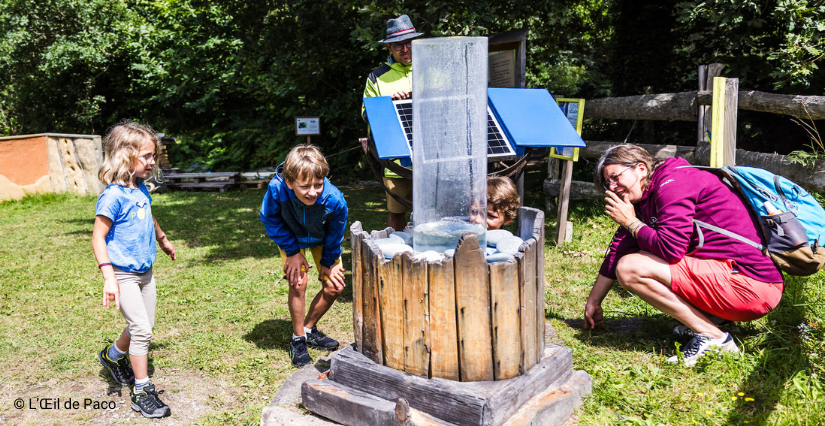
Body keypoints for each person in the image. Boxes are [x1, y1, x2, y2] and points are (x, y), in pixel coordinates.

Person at [584, 144, 783, 366]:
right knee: (634, 253)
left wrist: (631, 223)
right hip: (735, 279)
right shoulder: (645, 195)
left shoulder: (674, 184)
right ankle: (715, 319)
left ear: (641, 168)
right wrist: (594, 301)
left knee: (631, 267)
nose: (612, 187)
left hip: (753, 287)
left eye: (615, 177)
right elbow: (621, 246)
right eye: (607, 183)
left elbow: (670, 249)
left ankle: (714, 337)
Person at [92, 121, 177, 418]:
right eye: (147, 156)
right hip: (123, 274)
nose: (152, 161)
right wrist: (109, 278)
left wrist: (163, 240)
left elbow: (148, 216)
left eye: (153, 155)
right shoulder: (113, 196)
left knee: (141, 325)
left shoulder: (140, 189)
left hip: (146, 272)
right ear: (125, 156)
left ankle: (112, 356)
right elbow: (97, 237)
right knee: (141, 329)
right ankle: (142, 390)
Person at [260, 144, 348, 367]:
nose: (313, 192)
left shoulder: (335, 199)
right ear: (289, 182)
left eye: (318, 184)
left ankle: (309, 329)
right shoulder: (276, 189)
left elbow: (336, 232)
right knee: (298, 282)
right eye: (305, 186)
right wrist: (292, 251)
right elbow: (270, 218)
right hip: (291, 239)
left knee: (334, 286)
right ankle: (298, 340)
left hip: (323, 240)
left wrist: (329, 262)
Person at [362, 14, 423, 231]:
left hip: (433, 159)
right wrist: (389, 104)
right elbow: (367, 114)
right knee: (397, 214)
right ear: (389, 47)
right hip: (396, 162)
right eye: (399, 45)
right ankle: (395, 260)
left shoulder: (433, 69)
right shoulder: (377, 77)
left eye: (409, 43)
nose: (405, 49)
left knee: (434, 215)